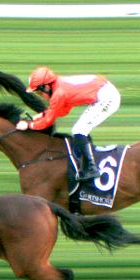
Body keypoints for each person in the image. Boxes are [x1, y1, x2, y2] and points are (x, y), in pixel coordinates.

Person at [22, 67, 123, 200]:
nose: (41, 96)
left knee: (79, 129)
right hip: (103, 92)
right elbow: (63, 111)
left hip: (107, 98)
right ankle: (88, 159)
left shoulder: (59, 93)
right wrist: (42, 115)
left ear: (46, 87)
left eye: (39, 93)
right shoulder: (58, 87)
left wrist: (29, 125)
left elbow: (48, 121)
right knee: (80, 128)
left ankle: (91, 169)